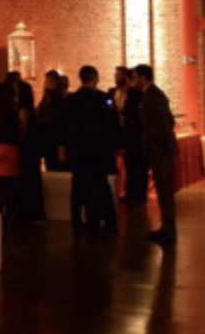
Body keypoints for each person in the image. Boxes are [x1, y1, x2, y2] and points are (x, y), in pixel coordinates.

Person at [61, 65, 121, 238]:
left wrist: (63, 146)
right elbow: (112, 124)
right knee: (100, 186)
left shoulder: (71, 100)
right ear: (95, 78)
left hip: (78, 151)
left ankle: (77, 222)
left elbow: (64, 127)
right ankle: (104, 222)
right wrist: (116, 145)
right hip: (98, 151)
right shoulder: (104, 99)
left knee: (78, 188)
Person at [0, 72, 43, 228]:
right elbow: (18, 131)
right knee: (12, 182)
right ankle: (12, 214)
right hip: (10, 149)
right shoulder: (11, 112)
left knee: (0, 181)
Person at [137, 64, 179, 245]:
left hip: (159, 150)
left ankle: (169, 230)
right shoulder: (151, 94)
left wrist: (156, 143)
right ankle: (166, 228)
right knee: (163, 190)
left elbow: (165, 121)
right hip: (158, 148)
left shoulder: (153, 95)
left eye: (136, 77)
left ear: (143, 77)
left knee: (165, 190)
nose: (134, 80)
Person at [120, 65, 148, 209]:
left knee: (132, 167)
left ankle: (133, 196)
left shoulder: (133, 93)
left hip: (132, 136)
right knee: (139, 168)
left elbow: (127, 111)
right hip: (139, 136)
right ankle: (140, 196)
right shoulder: (142, 93)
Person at [33, 70, 69, 173]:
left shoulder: (51, 98)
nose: (44, 84)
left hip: (51, 138)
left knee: (54, 168)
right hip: (52, 139)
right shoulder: (55, 97)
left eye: (46, 81)